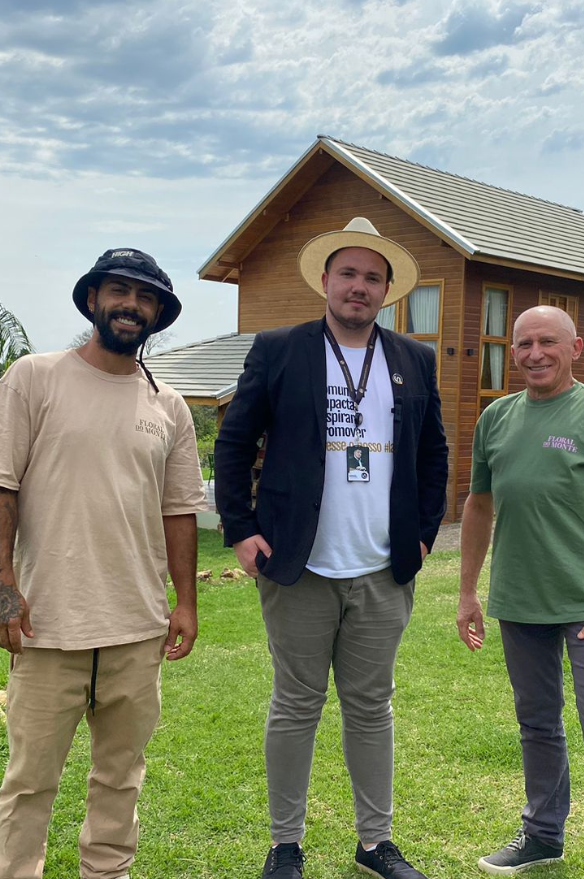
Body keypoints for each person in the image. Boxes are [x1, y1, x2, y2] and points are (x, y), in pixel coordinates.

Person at [214, 217, 448, 879]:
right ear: (325, 279)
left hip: (383, 567)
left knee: (373, 706)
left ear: (387, 292)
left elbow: (434, 454)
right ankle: (285, 843)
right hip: (298, 565)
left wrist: (425, 533)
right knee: (295, 704)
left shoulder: (413, 359)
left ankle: (375, 842)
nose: (359, 286)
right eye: (348, 273)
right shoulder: (281, 349)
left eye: (373, 278)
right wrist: (240, 529)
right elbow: (233, 444)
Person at [0, 247, 208, 879]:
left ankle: (108, 872)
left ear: (158, 314)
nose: (131, 305)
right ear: (94, 299)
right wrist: (0, 589)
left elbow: (179, 510)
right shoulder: (35, 377)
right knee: (29, 783)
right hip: (49, 626)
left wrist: (184, 601)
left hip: (136, 627)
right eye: (120, 291)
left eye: (146, 297)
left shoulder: (170, 407)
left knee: (121, 778)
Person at [456, 305, 584, 878]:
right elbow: (478, 504)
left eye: (548, 342)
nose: (534, 353)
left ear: (575, 349)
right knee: (537, 723)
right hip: (520, 601)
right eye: (523, 343)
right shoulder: (495, 417)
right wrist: (468, 591)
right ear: (512, 351)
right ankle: (543, 835)